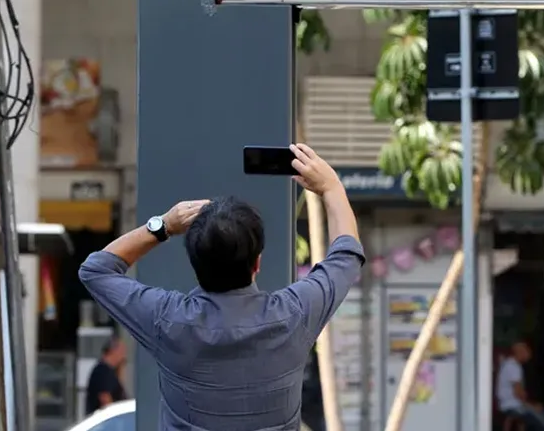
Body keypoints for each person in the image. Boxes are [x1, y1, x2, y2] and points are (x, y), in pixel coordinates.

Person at [79, 144, 364, 431]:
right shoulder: (294, 315)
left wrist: (164, 226)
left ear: (195, 263)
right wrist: (331, 187)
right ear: (257, 263)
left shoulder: (168, 319)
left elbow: (96, 269)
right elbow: (346, 256)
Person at [495, 340, 544, 431]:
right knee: (543, 422)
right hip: (513, 405)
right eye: (527, 352)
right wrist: (533, 406)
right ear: (520, 352)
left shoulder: (508, 363)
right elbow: (518, 393)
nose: (529, 355)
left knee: (522, 420)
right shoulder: (514, 367)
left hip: (506, 404)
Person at [84, 335, 127, 415]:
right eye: (122, 352)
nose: (124, 356)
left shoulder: (110, 371)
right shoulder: (103, 371)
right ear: (114, 351)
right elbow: (105, 399)